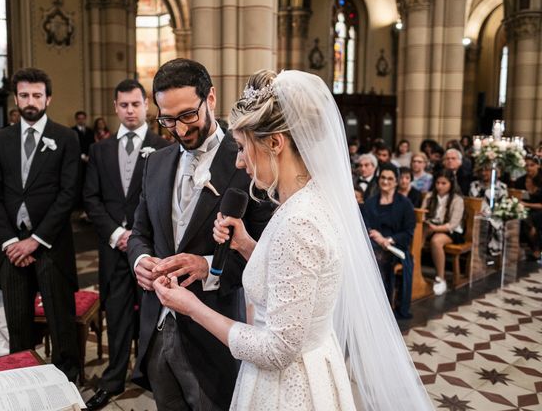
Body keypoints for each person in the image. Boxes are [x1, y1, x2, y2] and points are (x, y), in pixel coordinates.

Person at [152, 70, 432, 410]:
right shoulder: (309, 199)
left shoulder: (298, 221)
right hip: (314, 362)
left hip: (289, 386)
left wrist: (191, 306)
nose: (239, 162)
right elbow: (296, 278)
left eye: (242, 147)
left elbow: (276, 349)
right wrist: (245, 244)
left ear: (275, 143)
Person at [127, 59, 273, 410]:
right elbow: (139, 232)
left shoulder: (247, 162)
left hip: (214, 330)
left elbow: (268, 254)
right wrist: (141, 261)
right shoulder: (156, 163)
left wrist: (209, 266)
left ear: (210, 98)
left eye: (187, 116)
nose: (178, 129)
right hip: (158, 326)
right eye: (167, 119)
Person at [0, 67, 80, 381]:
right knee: (18, 320)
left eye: (37, 95)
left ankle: (67, 377)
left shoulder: (65, 137)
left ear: (48, 98)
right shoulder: (1, 138)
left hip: (50, 245)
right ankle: (21, 378)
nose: (30, 101)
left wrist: (36, 239)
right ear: (16, 98)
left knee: (60, 318)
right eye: (24, 94)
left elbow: (68, 194)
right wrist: (11, 242)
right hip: (12, 249)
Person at [83, 80, 169, 410]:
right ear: (115, 106)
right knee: (117, 313)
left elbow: (163, 200)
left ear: (146, 105)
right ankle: (114, 377)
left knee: (151, 314)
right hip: (113, 248)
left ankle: (149, 374)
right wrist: (116, 235)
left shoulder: (163, 146)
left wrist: (137, 237)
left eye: (136, 104)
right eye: (124, 105)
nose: (130, 110)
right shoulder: (100, 150)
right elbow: (90, 197)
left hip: (148, 249)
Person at [362, 164, 416, 318]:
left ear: (396, 181)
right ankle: (365, 303)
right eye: (383, 178)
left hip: (396, 247)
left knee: (380, 257)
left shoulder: (405, 204)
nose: (385, 181)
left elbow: (408, 232)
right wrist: (378, 238)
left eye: (390, 178)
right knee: (369, 255)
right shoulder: (371, 202)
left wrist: (388, 240)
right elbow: (365, 225)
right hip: (374, 243)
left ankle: (382, 307)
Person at [422, 170, 464, 296]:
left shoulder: (457, 200)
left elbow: (453, 224)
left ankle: (440, 278)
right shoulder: (430, 197)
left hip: (451, 231)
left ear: (451, 184)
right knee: (420, 232)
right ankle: (414, 270)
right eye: (438, 183)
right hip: (431, 227)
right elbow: (422, 215)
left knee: (436, 240)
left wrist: (435, 228)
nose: (439, 186)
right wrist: (428, 223)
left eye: (444, 183)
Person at [469, 164, 508, 262]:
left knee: (488, 224)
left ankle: (483, 257)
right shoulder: (475, 185)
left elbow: (501, 207)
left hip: (494, 216)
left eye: (488, 170)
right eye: (482, 170)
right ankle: (477, 257)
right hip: (475, 215)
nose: (484, 173)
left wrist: (488, 215)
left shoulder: (501, 187)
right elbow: (472, 201)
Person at [514, 155, 542, 261]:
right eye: (527, 165)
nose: (529, 168)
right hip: (525, 210)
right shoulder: (520, 181)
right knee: (525, 218)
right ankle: (536, 248)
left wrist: (527, 205)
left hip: (539, 209)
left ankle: (536, 249)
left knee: (530, 219)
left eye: (532, 165)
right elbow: (516, 197)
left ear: (538, 166)